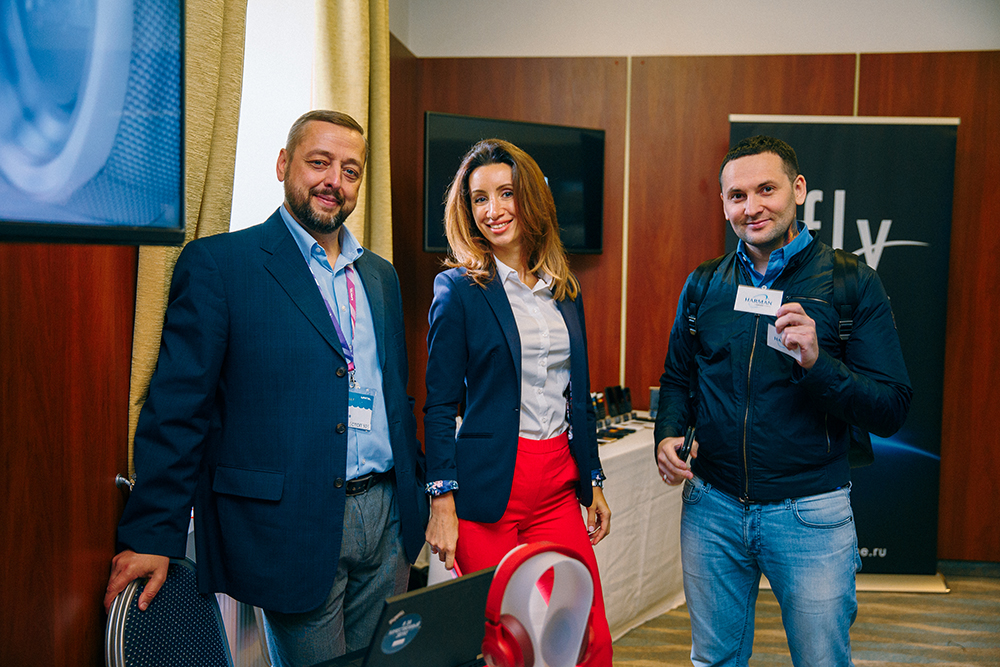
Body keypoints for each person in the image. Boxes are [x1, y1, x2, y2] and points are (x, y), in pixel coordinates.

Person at [103, 110, 427, 667]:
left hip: (387, 518)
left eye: (350, 170)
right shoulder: (221, 266)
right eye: (319, 162)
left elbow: (393, 396)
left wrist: (416, 495)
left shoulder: (380, 276)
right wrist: (153, 534)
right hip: (292, 524)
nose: (334, 180)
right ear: (283, 164)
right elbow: (179, 410)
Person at [654, 135, 912, 666]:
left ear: (797, 190)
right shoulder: (705, 284)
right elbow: (679, 376)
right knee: (714, 660)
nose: (751, 207)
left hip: (810, 512)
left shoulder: (850, 283)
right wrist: (668, 432)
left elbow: (891, 407)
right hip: (712, 508)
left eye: (765, 190)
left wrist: (819, 363)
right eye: (737, 196)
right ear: (724, 204)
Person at [422, 139, 614, 666]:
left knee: (586, 636)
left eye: (506, 193)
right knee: (510, 645)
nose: (494, 210)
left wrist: (593, 479)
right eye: (479, 199)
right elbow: (439, 405)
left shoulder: (564, 289)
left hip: (557, 485)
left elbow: (577, 396)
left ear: (531, 199)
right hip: (487, 492)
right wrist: (441, 501)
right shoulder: (458, 290)